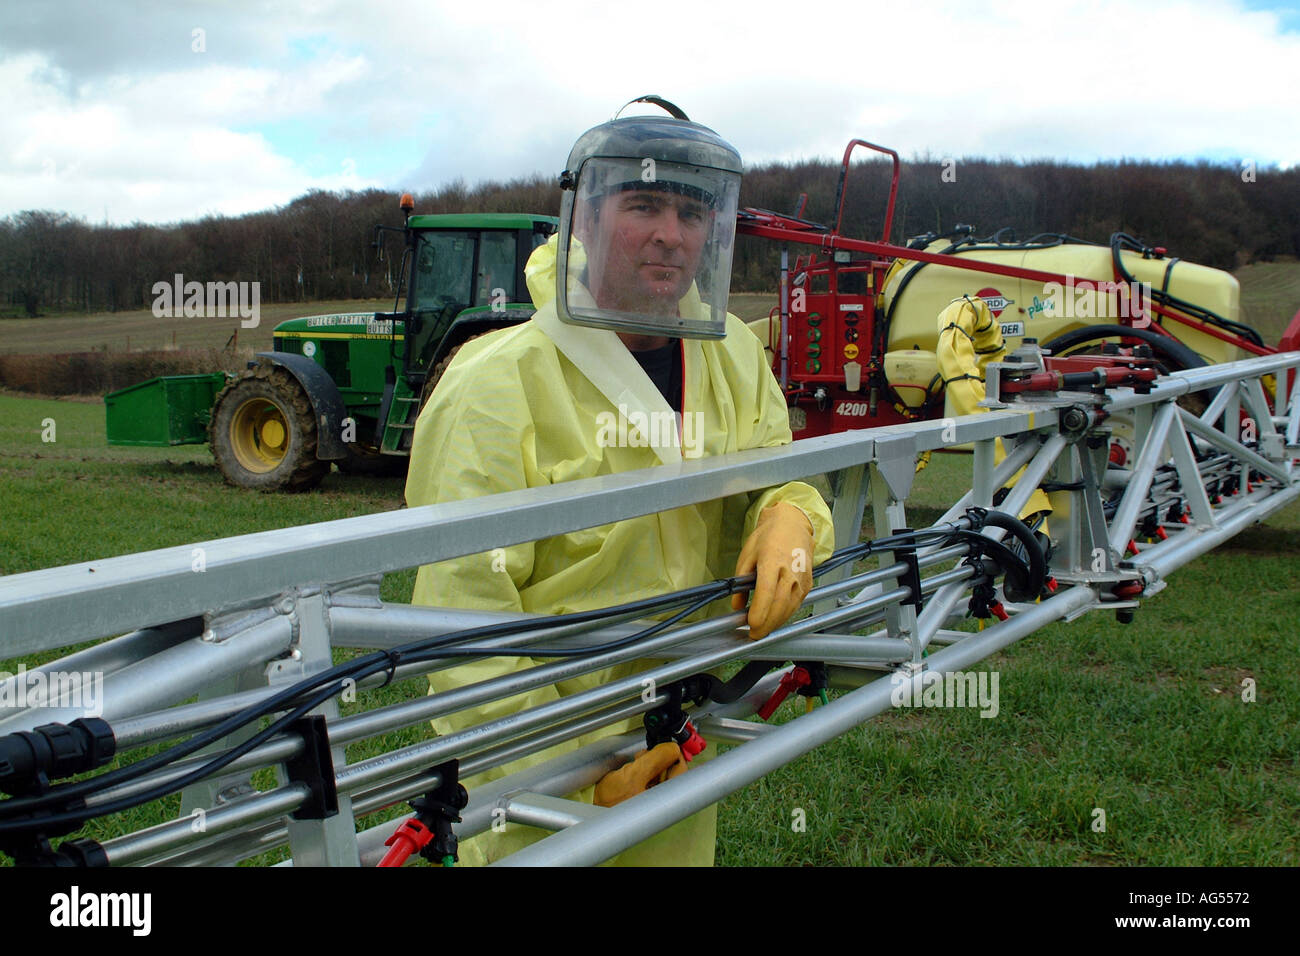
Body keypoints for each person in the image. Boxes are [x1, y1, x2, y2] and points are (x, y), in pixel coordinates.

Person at [404, 97, 835, 866]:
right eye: (642, 205)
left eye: (690, 211)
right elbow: (464, 623)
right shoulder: (499, 383)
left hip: (677, 746)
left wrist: (793, 516)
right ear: (585, 220)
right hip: (537, 793)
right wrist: (559, 786)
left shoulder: (732, 354)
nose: (671, 234)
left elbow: (781, 477)